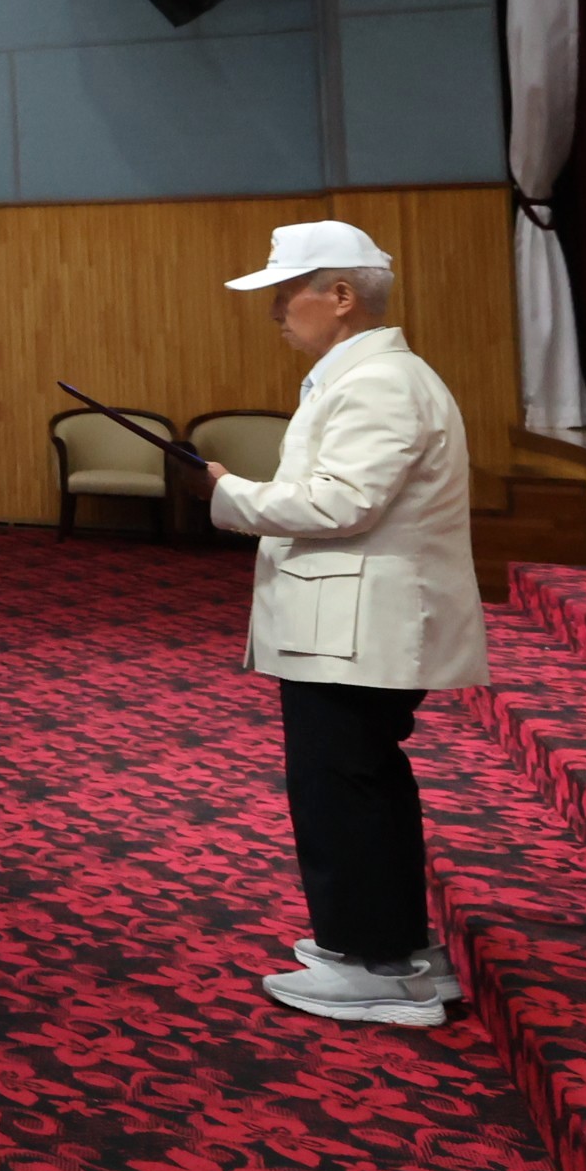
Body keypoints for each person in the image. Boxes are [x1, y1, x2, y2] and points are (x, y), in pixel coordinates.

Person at [196, 220, 487, 1028]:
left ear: (341, 296)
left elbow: (339, 501)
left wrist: (228, 494)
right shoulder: (356, 373)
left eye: (286, 294)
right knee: (361, 783)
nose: (275, 313)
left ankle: (379, 968)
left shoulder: (380, 381)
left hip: (357, 628)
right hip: (348, 623)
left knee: (341, 791)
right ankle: (392, 945)